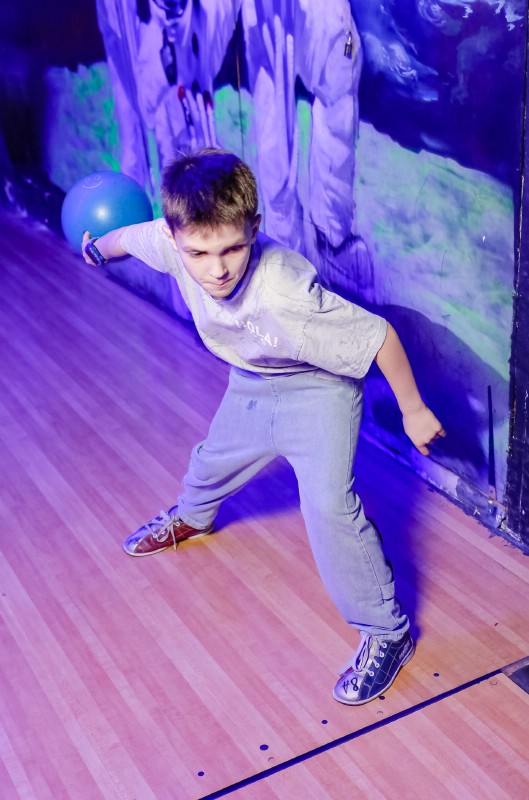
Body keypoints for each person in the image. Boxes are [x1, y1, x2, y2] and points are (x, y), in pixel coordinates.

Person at [81, 148, 445, 706]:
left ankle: (387, 632)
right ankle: (193, 516)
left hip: (320, 390)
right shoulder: (168, 240)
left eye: (232, 248)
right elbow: (125, 238)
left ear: (254, 227)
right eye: (199, 253)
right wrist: (94, 250)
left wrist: (414, 410)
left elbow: (378, 337)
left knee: (329, 508)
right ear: (174, 237)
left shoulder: (285, 290)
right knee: (211, 463)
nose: (217, 269)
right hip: (252, 381)